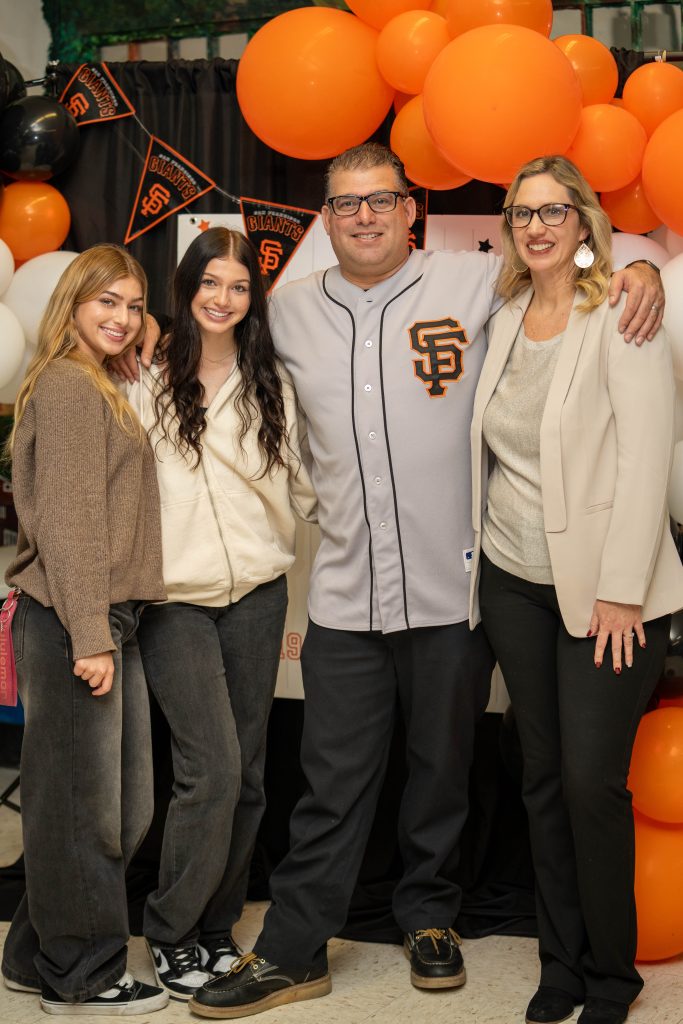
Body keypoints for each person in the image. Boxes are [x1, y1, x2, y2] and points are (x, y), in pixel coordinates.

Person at [119, 144, 662, 1020]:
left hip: (456, 590)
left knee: (443, 768)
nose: (362, 216)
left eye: (380, 201)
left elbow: (571, 267)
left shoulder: (479, 284)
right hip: (339, 593)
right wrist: (144, 331)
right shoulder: (286, 312)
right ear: (325, 219)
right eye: (344, 205)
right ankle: (295, 946)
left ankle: (429, 917)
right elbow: (206, 339)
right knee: (332, 780)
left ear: (412, 210)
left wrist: (635, 267)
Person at [468, 155, 683, 1024]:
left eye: (555, 211)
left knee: (593, 782)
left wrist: (623, 590)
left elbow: (645, 457)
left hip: (609, 591)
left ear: (586, 221)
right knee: (544, 777)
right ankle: (559, 966)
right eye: (523, 213)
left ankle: (610, 975)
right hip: (515, 582)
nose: (538, 226)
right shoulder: (507, 313)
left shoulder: (623, 313)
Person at [124, 227, 316, 1001]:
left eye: (238, 286)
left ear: (251, 298)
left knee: (248, 776)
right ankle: (170, 931)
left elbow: (302, 482)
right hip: (174, 600)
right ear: (188, 288)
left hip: (259, 595)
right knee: (211, 771)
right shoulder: (146, 376)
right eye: (211, 283)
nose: (223, 298)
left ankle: (214, 929)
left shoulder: (272, 379)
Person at [0, 245, 169, 1016]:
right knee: (81, 809)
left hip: (105, 616)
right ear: (70, 302)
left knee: (117, 810)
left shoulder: (100, 381)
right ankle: (84, 975)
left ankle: (35, 952)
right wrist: (90, 634)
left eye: (133, 305)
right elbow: (70, 525)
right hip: (77, 617)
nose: (123, 318)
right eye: (106, 302)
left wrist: (138, 340)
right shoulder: (70, 387)